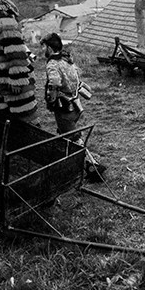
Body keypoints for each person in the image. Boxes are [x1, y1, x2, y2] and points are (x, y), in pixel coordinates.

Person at [39, 32, 106, 182]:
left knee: (72, 137)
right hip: (75, 105)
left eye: (45, 47)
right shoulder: (67, 59)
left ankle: (93, 168)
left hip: (64, 107)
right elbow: (76, 77)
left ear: (49, 48)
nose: (44, 50)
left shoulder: (52, 64)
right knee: (69, 134)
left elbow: (54, 83)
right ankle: (71, 163)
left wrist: (51, 98)